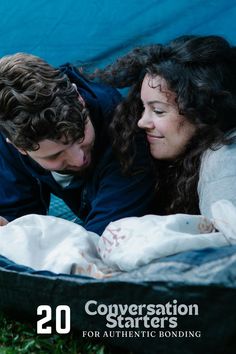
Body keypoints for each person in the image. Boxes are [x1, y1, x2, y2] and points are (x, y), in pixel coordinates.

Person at [0, 54, 155, 234]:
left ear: (79, 99)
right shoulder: (11, 128)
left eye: (79, 136)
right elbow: (16, 216)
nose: (79, 159)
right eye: (55, 155)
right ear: (19, 148)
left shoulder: (122, 123)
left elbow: (104, 236)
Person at [92, 35, 236, 217]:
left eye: (158, 111)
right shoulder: (183, 165)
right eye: (143, 108)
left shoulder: (225, 161)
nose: (141, 122)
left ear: (204, 110)